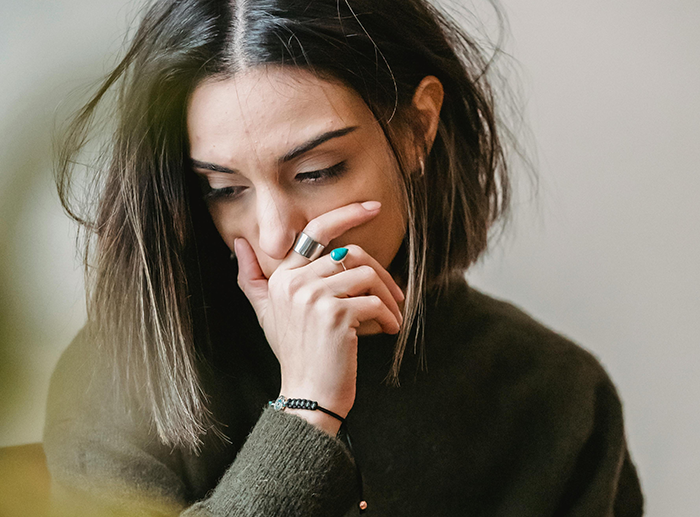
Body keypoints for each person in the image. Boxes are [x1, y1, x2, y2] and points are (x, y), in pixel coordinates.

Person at [44, 0, 644, 515]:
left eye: (317, 171)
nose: (276, 237)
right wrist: (306, 410)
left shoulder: (559, 398)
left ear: (417, 129)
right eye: (224, 189)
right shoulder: (124, 379)